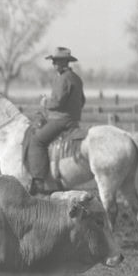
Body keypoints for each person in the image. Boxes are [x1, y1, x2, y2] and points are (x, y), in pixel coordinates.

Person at [29, 46, 85, 194]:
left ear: (63, 62)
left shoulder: (63, 79)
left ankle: (38, 180)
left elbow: (57, 102)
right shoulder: (76, 79)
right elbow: (82, 101)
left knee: (37, 141)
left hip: (61, 121)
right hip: (73, 120)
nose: (53, 64)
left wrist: (45, 102)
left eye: (55, 61)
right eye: (53, 61)